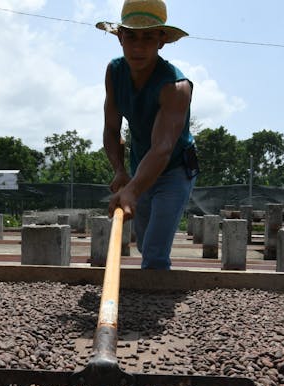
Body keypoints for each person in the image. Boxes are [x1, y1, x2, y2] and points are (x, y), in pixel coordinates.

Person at [97, 0, 198, 270]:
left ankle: (151, 305)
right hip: (140, 164)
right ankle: (148, 288)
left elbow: (163, 148)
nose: (138, 47)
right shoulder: (115, 71)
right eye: (130, 36)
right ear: (120, 37)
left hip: (174, 168)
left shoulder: (176, 87)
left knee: (153, 251)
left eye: (148, 37)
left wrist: (132, 189)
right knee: (143, 242)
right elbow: (111, 129)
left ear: (161, 40)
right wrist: (120, 171)